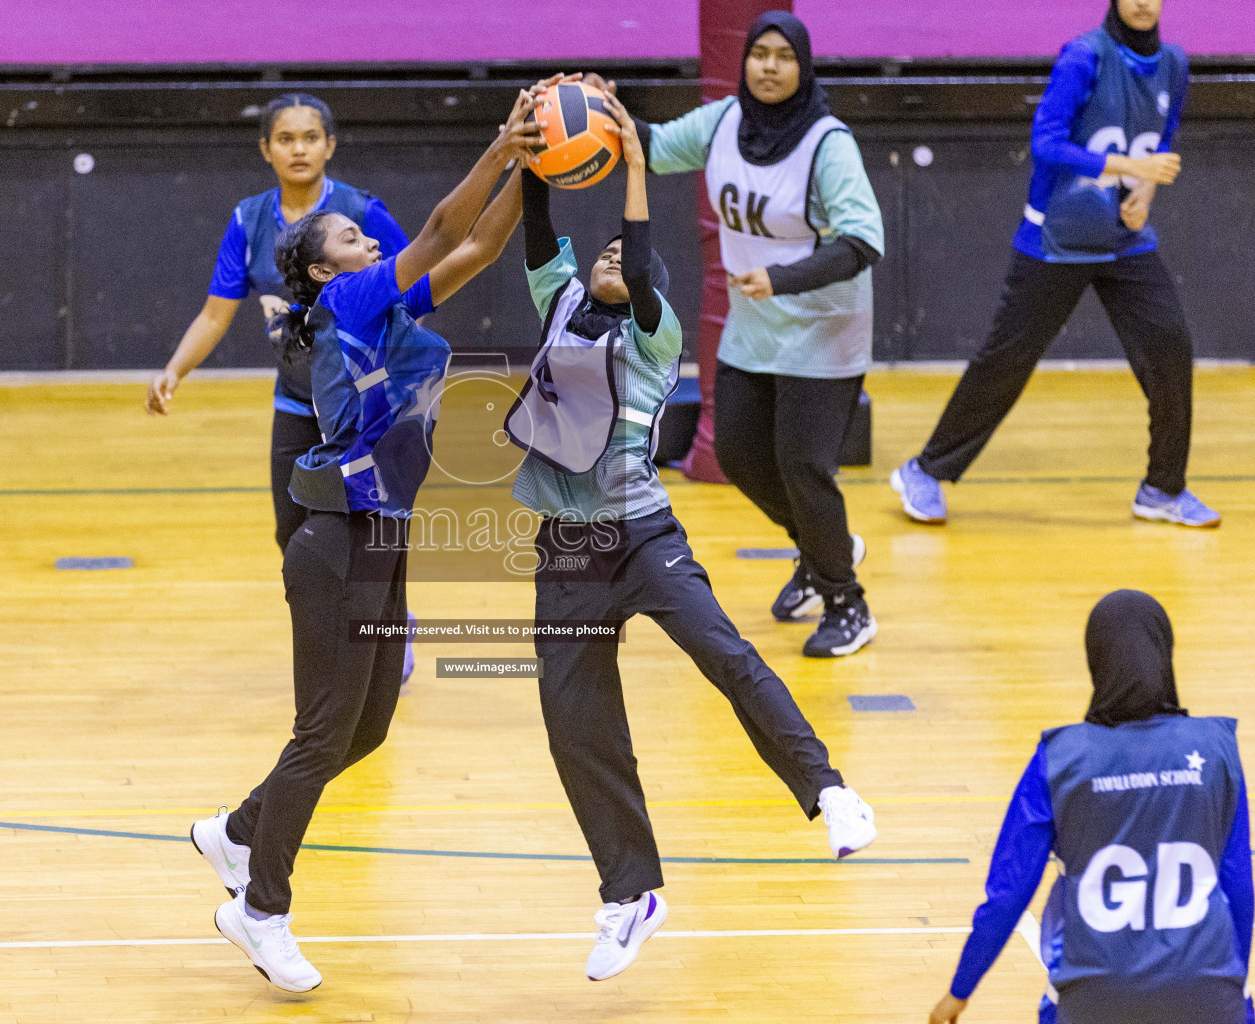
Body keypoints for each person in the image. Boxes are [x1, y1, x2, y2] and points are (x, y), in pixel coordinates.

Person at [505, 83, 877, 983]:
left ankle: (829, 792)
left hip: (642, 537)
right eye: (600, 255)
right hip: (568, 550)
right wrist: (527, 157)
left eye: (622, 259)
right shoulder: (558, 302)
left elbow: (637, 248)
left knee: (727, 656)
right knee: (574, 721)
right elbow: (539, 227)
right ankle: (631, 895)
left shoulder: (654, 330)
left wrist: (634, 166)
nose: (606, 260)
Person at [184, 90, 539, 993]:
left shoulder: (387, 315)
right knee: (321, 733)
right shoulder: (346, 303)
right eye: (347, 237)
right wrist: (502, 146)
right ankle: (259, 908)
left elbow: (481, 246)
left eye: (360, 236)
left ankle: (233, 831)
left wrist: (538, 173)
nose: (365, 241)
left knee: (371, 726)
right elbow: (434, 226)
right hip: (334, 546)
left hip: (384, 539)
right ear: (317, 271)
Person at [892, 0, 1218, 529]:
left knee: (1170, 349)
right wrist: (1126, 166)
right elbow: (1046, 143)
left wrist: (1146, 192)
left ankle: (1163, 488)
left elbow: (1163, 135)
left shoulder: (1175, 64)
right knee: (1008, 361)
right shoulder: (1082, 57)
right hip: (1056, 238)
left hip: (1124, 240)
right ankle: (924, 471)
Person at [632, 11, 886, 658]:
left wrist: (785, 277)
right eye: (759, 55)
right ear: (743, 62)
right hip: (755, 324)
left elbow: (863, 240)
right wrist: (589, 109)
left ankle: (846, 602)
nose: (769, 67)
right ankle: (818, 547)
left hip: (825, 328)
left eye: (784, 57)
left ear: (804, 68)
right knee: (742, 454)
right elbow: (654, 147)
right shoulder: (721, 123)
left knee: (803, 464)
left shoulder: (828, 143)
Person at [144, 93, 422, 680]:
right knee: (294, 534)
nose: (299, 148)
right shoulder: (250, 219)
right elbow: (216, 313)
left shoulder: (361, 213)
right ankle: (339, 629)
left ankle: (386, 628)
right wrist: (175, 368)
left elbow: (417, 286)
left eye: (311, 137)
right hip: (297, 404)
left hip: (366, 409)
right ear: (266, 149)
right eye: (286, 138)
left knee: (372, 526)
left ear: (330, 145)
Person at [928, 590, 1252, 1024]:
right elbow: (1239, 885)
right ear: (1164, 652)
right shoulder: (1215, 749)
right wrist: (1230, 982)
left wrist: (959, 991)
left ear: (1095, 660)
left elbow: (1008, 893)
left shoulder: (1060, 758)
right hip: (1212, 997)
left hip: (1095, 999)